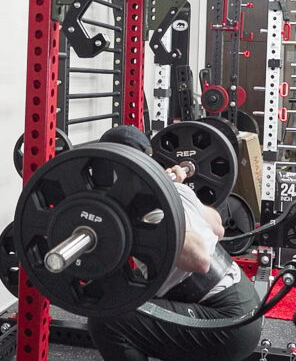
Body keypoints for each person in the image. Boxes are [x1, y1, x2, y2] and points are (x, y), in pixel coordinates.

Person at [88, 125, 263, 361]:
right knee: (129, 295)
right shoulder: (175, 188)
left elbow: (199, 259)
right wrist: (175, 186)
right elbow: (217, 228)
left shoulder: (152, 205)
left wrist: (144, 213)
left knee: (108, 321)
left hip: (226, 322)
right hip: (245, 306)